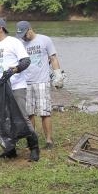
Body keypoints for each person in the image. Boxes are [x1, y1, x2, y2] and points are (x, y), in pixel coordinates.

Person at [0, 16, 40, 162]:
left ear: (0, 28)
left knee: (22, 118)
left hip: (17, 86)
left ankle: (34, 149)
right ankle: (10, 150)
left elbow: (26, 61)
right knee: (4, 119)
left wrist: (16, 69)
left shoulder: (14, 42)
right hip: (1, 89)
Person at [15, 20, 64, 150]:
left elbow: (53, 58)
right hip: (25, 82)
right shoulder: (20, 44)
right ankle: (32, 140)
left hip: (42, 81)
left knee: (45, 112)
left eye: (25, 34)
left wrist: (58, 74)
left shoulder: (44, 40)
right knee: (29, 114)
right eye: (22, 35)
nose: (24, 37)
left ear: (30, 29)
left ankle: (48, 141)